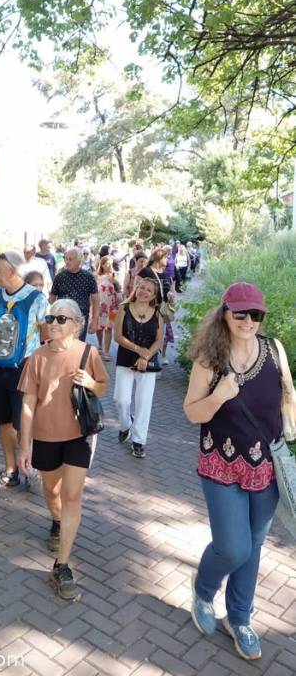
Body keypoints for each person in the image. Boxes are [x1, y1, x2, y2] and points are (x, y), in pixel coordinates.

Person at [183, 282, 296, 661]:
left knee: (254, 546)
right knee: (233, 547)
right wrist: (219, 396)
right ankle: (203, 589)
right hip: (221, 464)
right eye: (240, 313)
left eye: (256, 314)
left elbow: (288, 397)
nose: (248, 321)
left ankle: (240, 617)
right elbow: (191, 412)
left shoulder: (274, 349)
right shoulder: (209, 359)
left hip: (267, 467)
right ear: (225, 314)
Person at [17, 299, 108, 600]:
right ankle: (56, 520)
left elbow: (103, 385)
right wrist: (24, 445)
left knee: (72, 496)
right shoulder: (37, 357)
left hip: (80, 434)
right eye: (50, 318)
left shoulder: (88, 353)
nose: (53, 323)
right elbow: (27, 404)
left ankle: (63, 565)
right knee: (51, 491)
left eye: (61, 318)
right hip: (46, 435)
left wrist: (91, 383)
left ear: (77, 325)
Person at [0, 250, 48, 490]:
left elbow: (47, 336)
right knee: (3, 421)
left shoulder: (36, 298)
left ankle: (29, 468)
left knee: (24, 422)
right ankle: (10, 471)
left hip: (24, 368)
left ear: (12, 271)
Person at [114, 277, 164, 458]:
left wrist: (146, 355)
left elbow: (159, 339)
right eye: (141, 288)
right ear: (136, 288)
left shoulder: (157, 313)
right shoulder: (124, 308)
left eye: (149, 290)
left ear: (154, 296)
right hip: (126, 358)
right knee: (121, 400)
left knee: (144, 402)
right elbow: (118, 336)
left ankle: (139, 440)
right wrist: (138, 350)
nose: (144, 292)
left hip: (147, 362)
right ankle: (126, 424)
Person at [49, 248, 99, 342]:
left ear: (79, 260)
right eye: (66, 258)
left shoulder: (88, 277)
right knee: (62, 344)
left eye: (70, 259)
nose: (67, 261)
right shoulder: (60, 277)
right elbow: (52, 298)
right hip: (62, 318)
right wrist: (50, 316)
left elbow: (96, 300)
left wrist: (94, 320)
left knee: (78, 345)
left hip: (80, 319)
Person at [96, 255, 121, 361]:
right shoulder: (96, 276)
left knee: (108, 327)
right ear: (102, 265)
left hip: (111, 305)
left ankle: (106, 351)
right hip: (100, 305)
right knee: (99, 327)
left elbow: (119, 289)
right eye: (107, 264)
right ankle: (100, 345)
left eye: (111, 264)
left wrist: (115, 282)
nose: (110, 266)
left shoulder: (115, 275)